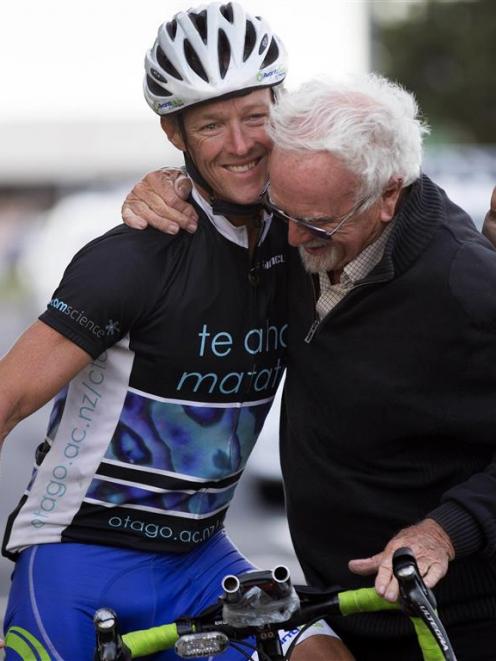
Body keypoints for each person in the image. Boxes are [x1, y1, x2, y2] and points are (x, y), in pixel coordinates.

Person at [0, 4, 351, 659]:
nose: (241, 143)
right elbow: (8, 397)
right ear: (174, 133)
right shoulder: (134, 256)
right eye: (211, 124)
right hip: (79, 557)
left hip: (198, 560)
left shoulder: (305, 234)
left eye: (255, 115)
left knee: (324, 653)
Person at [121, 75, 496, 660]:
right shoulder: (307, 218)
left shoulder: (467, 287)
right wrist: (170, 185)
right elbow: (229, 181)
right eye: (279, 207)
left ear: (388, 195)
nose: (292, 238)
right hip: (337, 612)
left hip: (455, 625)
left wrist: (445, 530)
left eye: (316, 224)